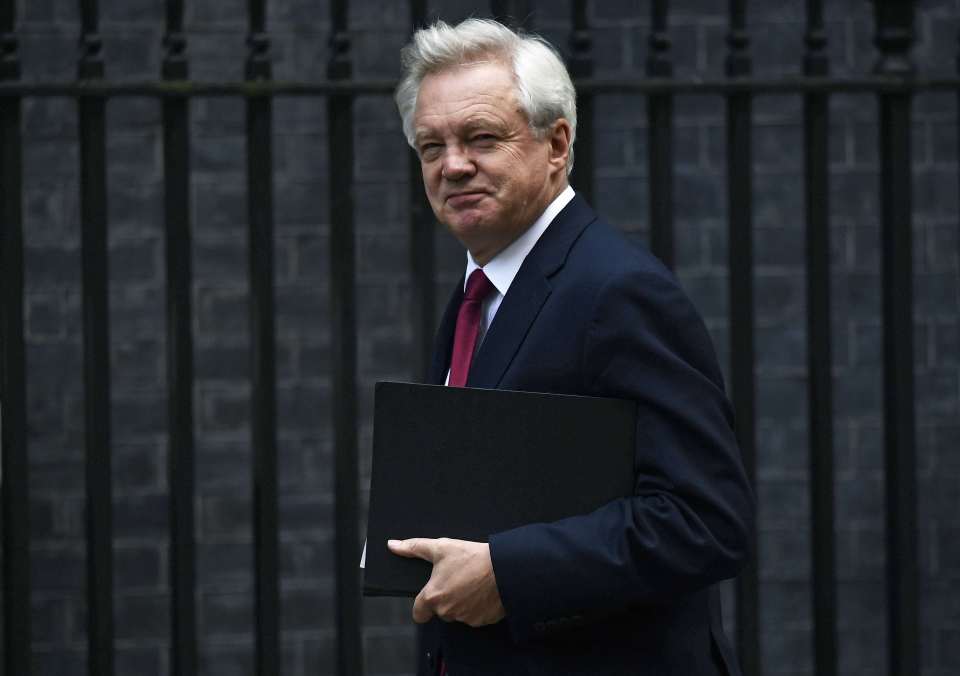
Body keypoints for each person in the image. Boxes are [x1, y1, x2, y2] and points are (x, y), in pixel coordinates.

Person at [386, 18, 754, 676]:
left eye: (481, 138)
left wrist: (508, 572)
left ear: (557, 144)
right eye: (430, 146)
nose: (453, 165)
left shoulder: (619, 290)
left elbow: (706, 520)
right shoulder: (482, 290)